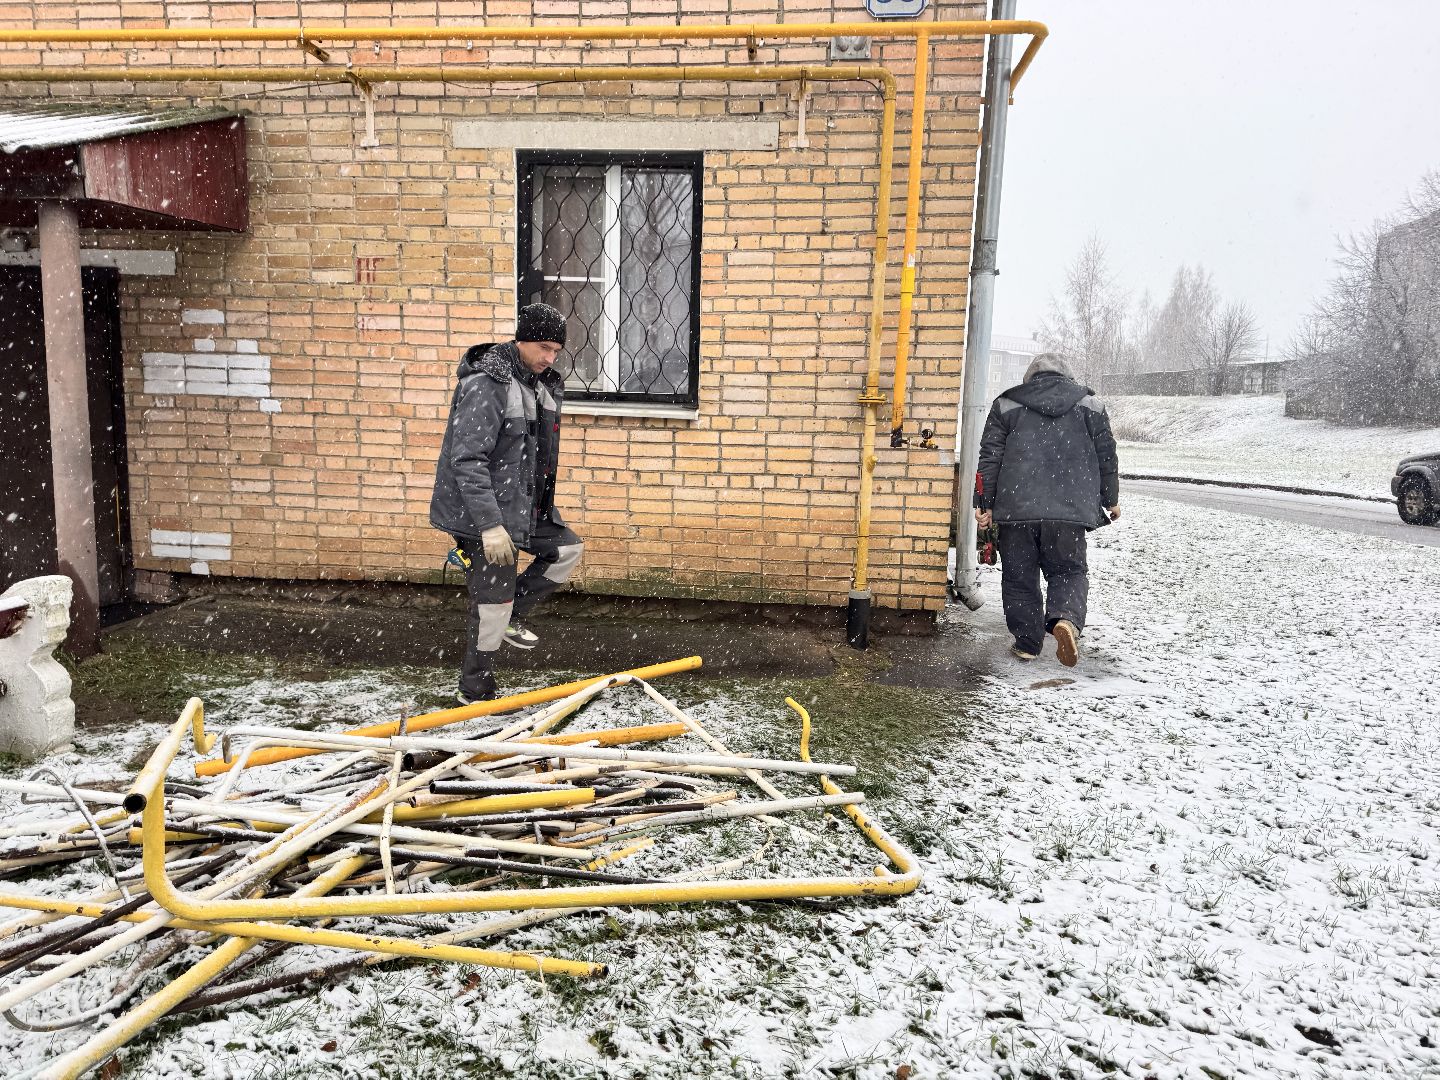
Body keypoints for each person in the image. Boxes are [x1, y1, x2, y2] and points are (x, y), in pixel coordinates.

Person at [430, 303, 583, 703]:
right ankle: (474, 690)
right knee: (491, 604)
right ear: (522, 340)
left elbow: (534, 456)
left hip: (525, 508)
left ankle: (514, 611)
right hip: (484, 514)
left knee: (566, 549)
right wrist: (489, 525)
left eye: (556, 351)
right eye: (544, 347)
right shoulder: (487, 383)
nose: (550, 358)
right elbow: (467, 460)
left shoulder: (539, 384)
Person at [973, 353, 1119, 668]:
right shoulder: (1090, 405)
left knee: (1019, 577)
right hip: (1069, 511)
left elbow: (989, 458)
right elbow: (1106, 454)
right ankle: (1064, 619)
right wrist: (1111, 498)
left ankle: (1027, 643)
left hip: (1016, 509)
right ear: (1065, 376)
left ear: (1031, 378)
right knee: (1067, 570)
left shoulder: (1007, 404)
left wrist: (984, 504)